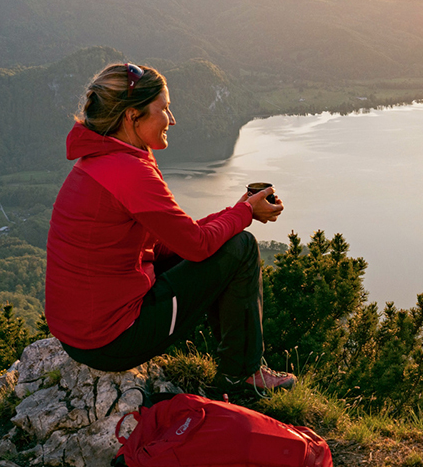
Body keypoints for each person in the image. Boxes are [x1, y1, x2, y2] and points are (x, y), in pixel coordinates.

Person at [44, 62, 294, 394]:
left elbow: (168, 242)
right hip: (113, 342)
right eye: (164, 109)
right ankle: (242, 376)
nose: (172, 119)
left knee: (229, 240)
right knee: (242, 247)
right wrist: (245, 214)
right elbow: (197, 246)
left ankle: (239, 370)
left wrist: (238, 211)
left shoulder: (98, 162)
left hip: (81, 335)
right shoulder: (129, 172)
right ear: (133, 117)